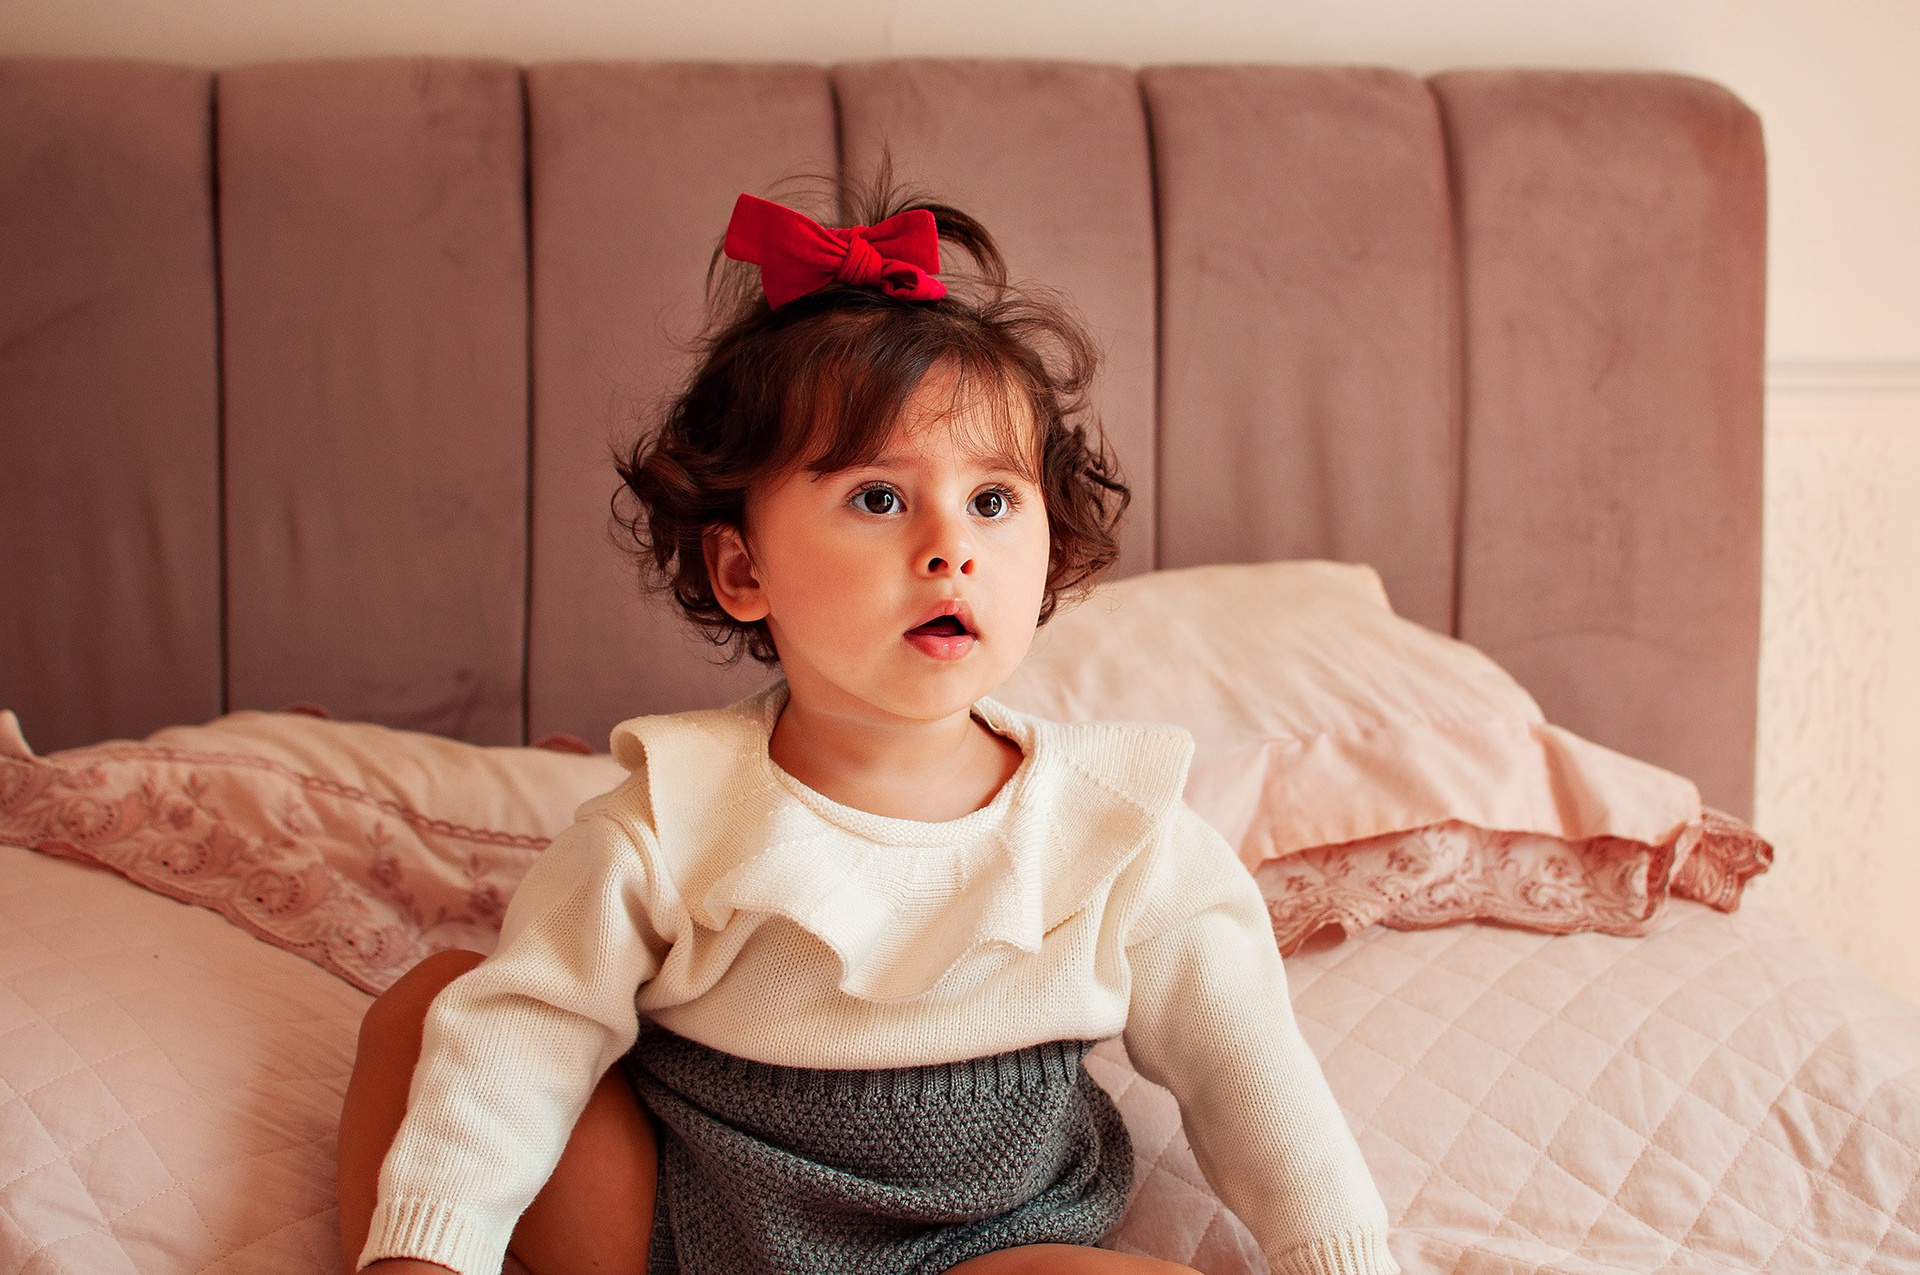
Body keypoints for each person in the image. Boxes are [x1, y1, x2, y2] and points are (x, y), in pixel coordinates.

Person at [336, 176, 1398, 1275]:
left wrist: (1341, 1258)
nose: (950, 548)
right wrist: (433, 1245)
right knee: (438, 1009)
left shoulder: (1115, 824)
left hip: (986, 1248)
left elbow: (1251, 1072)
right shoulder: (673, 814)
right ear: (743, 569)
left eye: (992, 501)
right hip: (691, 1230)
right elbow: (531, 1033)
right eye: (880, 498)